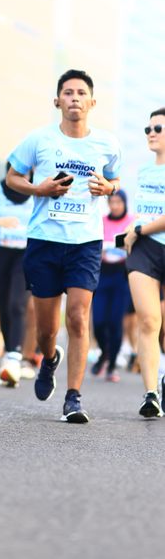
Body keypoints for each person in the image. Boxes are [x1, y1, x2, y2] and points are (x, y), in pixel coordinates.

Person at [6, 69, 121, 423]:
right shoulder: (38, 139)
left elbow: (115, 179)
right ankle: (49, 358)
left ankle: (73, 397)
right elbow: (12, 177)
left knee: (78, 318)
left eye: (81, 93)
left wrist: (109, 188)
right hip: (44, 240)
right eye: (68, 93)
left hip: (85, 242)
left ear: (92, 102)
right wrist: (38, 189)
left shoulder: (107, 144)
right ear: (57, 101)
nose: (74, 98)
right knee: (46, 330)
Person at [124, 108, 165, 417]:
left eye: (158, 129)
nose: (151, 133)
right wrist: (134, 229)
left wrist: (138, 229)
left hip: (144, 235)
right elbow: (144, 212)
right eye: (148, 129)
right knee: (149, 321)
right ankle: (151, 394)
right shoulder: (144, 172)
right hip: (144, 250)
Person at [0, 164, 34, 386]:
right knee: (2, 305)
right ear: (9, 172)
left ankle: (14, 357)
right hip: (0, 254)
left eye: (25, 173)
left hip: (25, 255)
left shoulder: (37, 191)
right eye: (17, 172)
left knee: (17, 304)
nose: (22, 177)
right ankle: (10, 353)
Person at [91, 190, 133, 383]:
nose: (115, 206)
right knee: (98, 322)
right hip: (103, 274)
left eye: (118, 202)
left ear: (124, 203)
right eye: (112, 202)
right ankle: (104, 353)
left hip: (122, 276)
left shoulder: (131, 222)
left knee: (115, 322)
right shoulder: (101, 221)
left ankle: (112, 364)